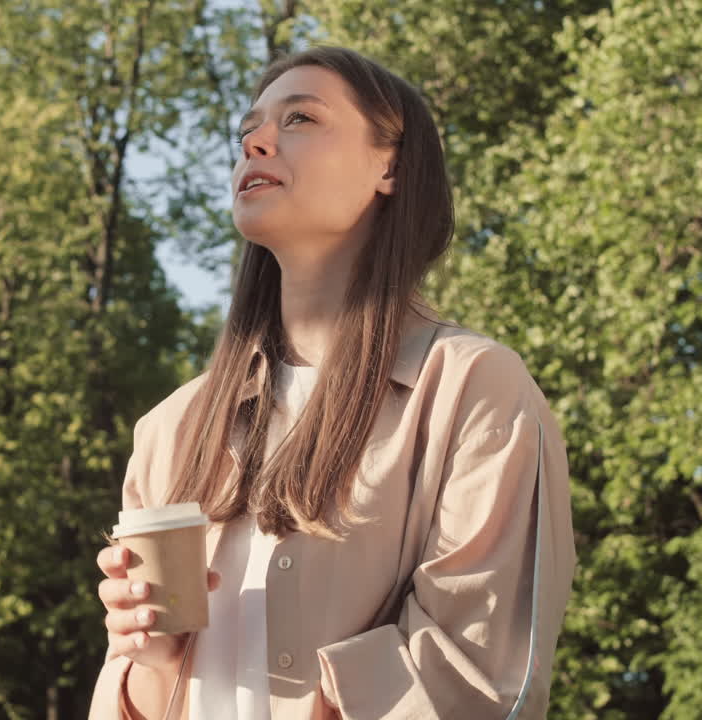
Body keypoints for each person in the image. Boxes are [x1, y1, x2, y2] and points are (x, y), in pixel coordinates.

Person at [88, 45, 576, 720]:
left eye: (301, 119)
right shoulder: (171, 429)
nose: (256, 140)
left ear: (391, 168)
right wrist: (153, 657)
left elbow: (482, 672)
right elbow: (138, 694)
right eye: (249, 130)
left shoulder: (471, 388)